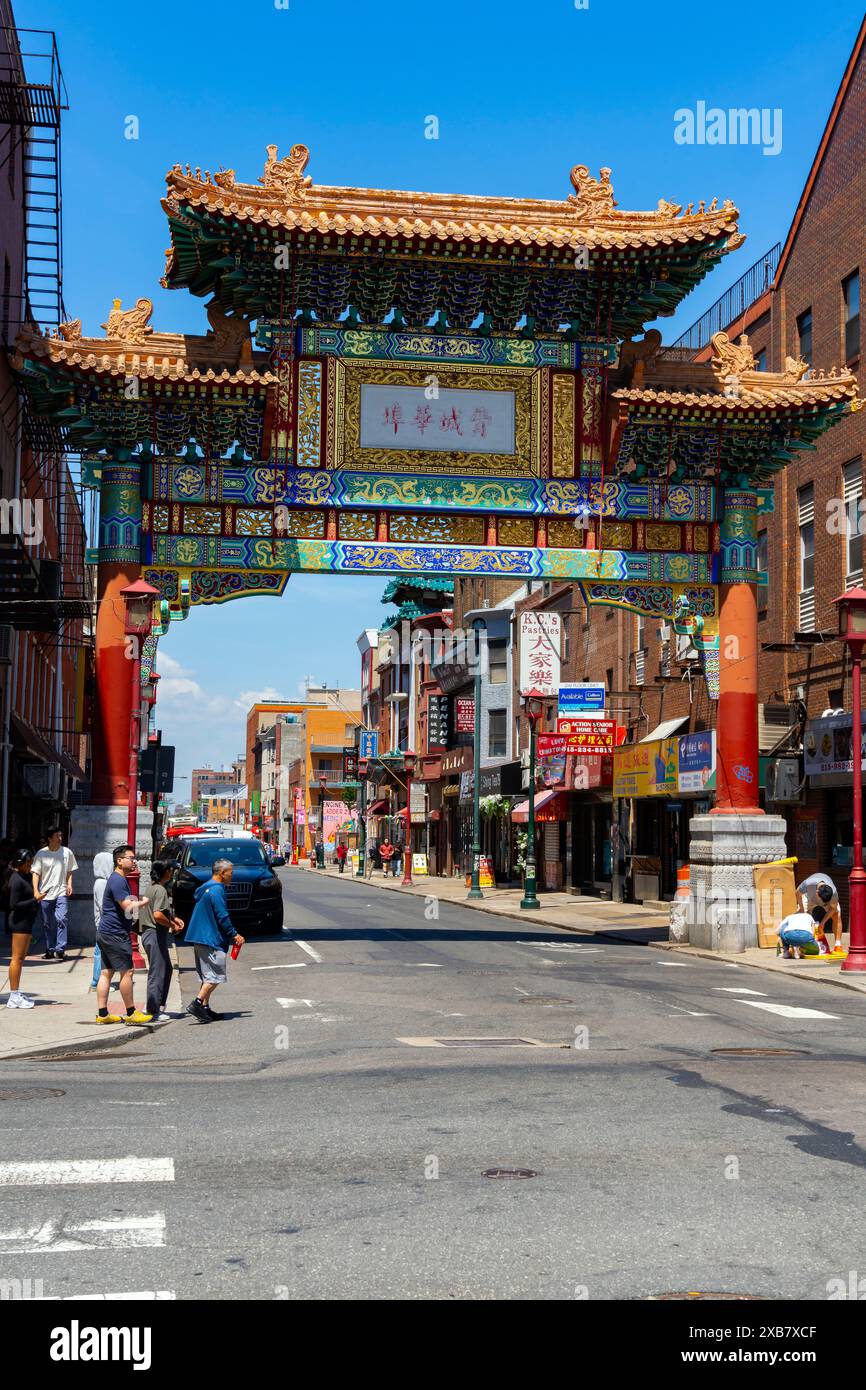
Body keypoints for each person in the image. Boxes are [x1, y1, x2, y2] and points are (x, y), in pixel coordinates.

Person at [94, 845, 152, 1025]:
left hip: (105, 932)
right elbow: (127, 906)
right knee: (128, 972)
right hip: (115, 933)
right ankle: (131, 1012)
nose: (134, 861)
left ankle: (103, 1014)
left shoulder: (117, 879)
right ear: (119, 861)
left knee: (106, 973)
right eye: (131, 858)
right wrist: (144, 902)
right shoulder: (118, 880)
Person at [184, 857, 244, 1023]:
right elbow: (222, 916)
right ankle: (197, 1003)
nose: (232, 876)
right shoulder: (217, 890)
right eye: (230, 873)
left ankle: (205, 1008)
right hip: (210, 937)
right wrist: (234, 934)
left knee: (206, 975)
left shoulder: (205, 888)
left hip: (200, 936)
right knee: (215, 975)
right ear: (222, 873)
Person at [138, 859, 184, 1022]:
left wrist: (173, 918)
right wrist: (172, 924)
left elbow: (160, 911)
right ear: (165, 872)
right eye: (170, 870)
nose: (172, 873)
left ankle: (156, 1004)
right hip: (154, 934)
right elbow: (157, 915)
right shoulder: (160, 890)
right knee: (158, 971)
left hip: (150, 934)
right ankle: (152, 1009)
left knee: (165, 969)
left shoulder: (151, 888)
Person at [31, 826, 78, 962]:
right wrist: (36, 891)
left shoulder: (67, 852)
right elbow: (36, 873)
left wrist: (69, 884)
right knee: (47, 923)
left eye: (61, 836)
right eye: (58, 836)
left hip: (61, 891)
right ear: (50, 838)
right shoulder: (41, 854)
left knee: (61, 918)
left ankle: (60, 949)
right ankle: (50, 949)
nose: (60, 839)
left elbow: (70, 870)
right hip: (45, 893)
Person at [5, 849, 39, 1008]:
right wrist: (35, 900)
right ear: (20, 864)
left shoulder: (24, 876)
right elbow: (14, 905)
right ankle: (13, 995)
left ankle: (16, 992)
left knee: (20, 958)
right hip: (19, 922)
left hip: (26, 922)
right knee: (16, 959)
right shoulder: (16, 879)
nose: (30, 866)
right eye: (27, 863)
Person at [796, 873, 844, 952]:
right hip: (809, 897)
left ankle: (838, 944)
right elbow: (797, 893)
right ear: (817, 892)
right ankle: (798, 944)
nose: (821, 904)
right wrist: (801, 908)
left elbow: (833, 908)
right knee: (800, 916)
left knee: (836, 914)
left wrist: (823, 922)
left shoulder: (833, 893)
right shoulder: (808, 883)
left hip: (825, 898)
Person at [91, 851, 113, 990]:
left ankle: (97, 980)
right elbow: (103, 905)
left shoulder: (100, 882)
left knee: (100, 952)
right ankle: (97, 981)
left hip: (102, 923)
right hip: (104, 924)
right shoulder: (102, 883)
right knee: (101, 953)